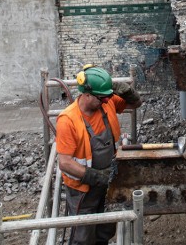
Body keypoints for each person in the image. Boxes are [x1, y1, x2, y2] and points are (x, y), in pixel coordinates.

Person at [56, 65, 142, 245]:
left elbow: (135, 104)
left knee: (105, 228)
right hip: (83, 188)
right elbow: (64, 163)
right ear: (87, 94)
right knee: (83, 236)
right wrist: (96, 177)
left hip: (108, 181)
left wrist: (127, 92)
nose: (105, 101)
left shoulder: (107, 102)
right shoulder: (68, 120)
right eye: (101, 97)